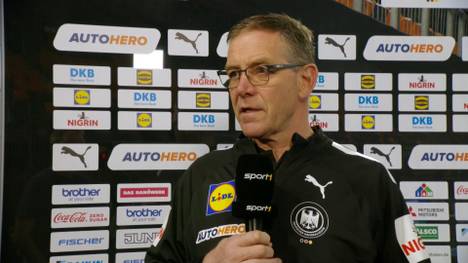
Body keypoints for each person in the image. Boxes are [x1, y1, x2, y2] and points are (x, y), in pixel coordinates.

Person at [145, 13, 430, 263]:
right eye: (233, 73)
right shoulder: (201, 175)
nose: (241, 88)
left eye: (261, 70)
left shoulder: (368, 179)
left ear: (305, 80)